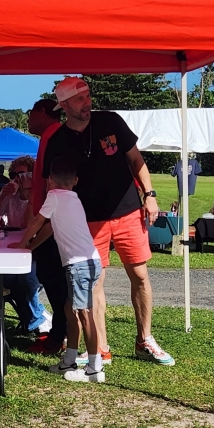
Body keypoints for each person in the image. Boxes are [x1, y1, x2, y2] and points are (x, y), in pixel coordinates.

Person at [41, 76, 174, 367]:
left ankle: (145, 339)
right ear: (64, 105)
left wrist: (150, 195)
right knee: (94, 282)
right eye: (79, 99)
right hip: (87, 220)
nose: (87, 103)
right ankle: (100, 347)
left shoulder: (111, 121)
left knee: (140, 275)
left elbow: (136, 160)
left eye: (88, 96)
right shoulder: (57, 140)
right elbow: (52, 186)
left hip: (128, 211)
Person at [14, 155, 103, 383]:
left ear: (50, 181)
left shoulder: (53, 196)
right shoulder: (73, 198)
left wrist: (21, 245)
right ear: (75, 181)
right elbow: (50, 228)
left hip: (78, 265)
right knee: (69, 309)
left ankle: (95, 368)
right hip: (91, 262)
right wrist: (30, 247)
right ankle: (69, 360)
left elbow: (37, 222)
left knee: (83, 314)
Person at [0, 156, 51, 333]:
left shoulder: (41, 196)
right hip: (14, 250)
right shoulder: (10, 195)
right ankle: (38, 318)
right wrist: (2, 197)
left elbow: (28, 224)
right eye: (13, 174)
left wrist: (31, 195)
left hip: (36, 250)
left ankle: (36, 320)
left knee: (25, 280)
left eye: (21, 174)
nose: (17, 178)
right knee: (6, 279)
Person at [27, 98, 67, 354]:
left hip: (53, 222)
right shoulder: (49, 137)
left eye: (30, 113)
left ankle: (59, 336)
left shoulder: (54, 137)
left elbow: (52, 184)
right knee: (50, 277)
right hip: (49, 219)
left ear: (42, 112)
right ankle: (59, 334)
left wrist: (42, 223)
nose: (29, 119)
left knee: (55, 280)